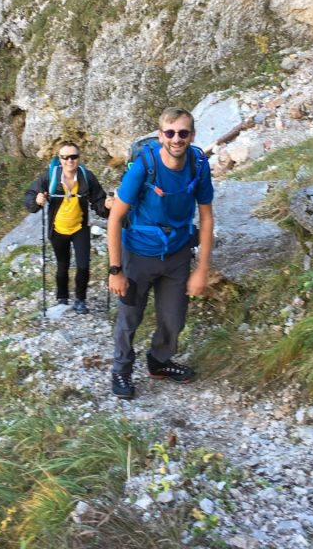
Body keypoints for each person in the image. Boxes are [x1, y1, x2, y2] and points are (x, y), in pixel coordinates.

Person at [106, 107, 214, 399]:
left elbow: (206, 216)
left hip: (177, 255)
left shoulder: (199, 164)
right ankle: (122, 371)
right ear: (160, 135)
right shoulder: (144, 167)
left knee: (174, 318)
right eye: (170, 133)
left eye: (183, 133)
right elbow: (115, 218)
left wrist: (202, 267)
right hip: (138, 255)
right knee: (130, 318)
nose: (176, 139)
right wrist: (116, 270)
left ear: (192, 135)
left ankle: (159, 362)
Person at [25, 142, 113, 314]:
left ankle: (80, 300)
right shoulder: (50, 177)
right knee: (62, 265)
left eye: (73, 156)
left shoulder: (86, 177)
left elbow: (98, 200)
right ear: (60, 159)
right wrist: (36, 201)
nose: (69, 160)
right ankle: (62, 297)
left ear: (79, 158)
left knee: (83, 266)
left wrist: (107, 206)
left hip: (80, 227)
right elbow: (30, 194)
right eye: (65, 157)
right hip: (58, 229)